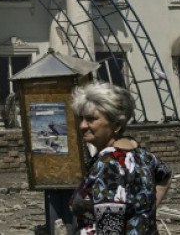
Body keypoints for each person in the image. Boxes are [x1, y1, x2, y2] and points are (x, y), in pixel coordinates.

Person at [69, 81, 172, 234]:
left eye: (91, 119)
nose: (82, 125)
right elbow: (165, 174)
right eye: (81, 118)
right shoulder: (140, 153)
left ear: (116, 125)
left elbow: (110, 230)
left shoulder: (108, 164)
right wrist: (143, 215)